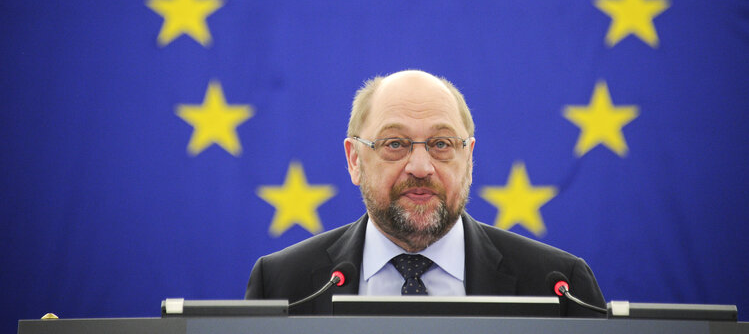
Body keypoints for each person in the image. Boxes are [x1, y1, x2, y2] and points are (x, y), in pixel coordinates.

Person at [245, 70, 605, 316]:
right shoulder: (282, 283)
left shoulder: (558, 284)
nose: (420, 166)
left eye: (441, 143)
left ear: (469, 158)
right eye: (396, 143)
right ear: (355, 160)